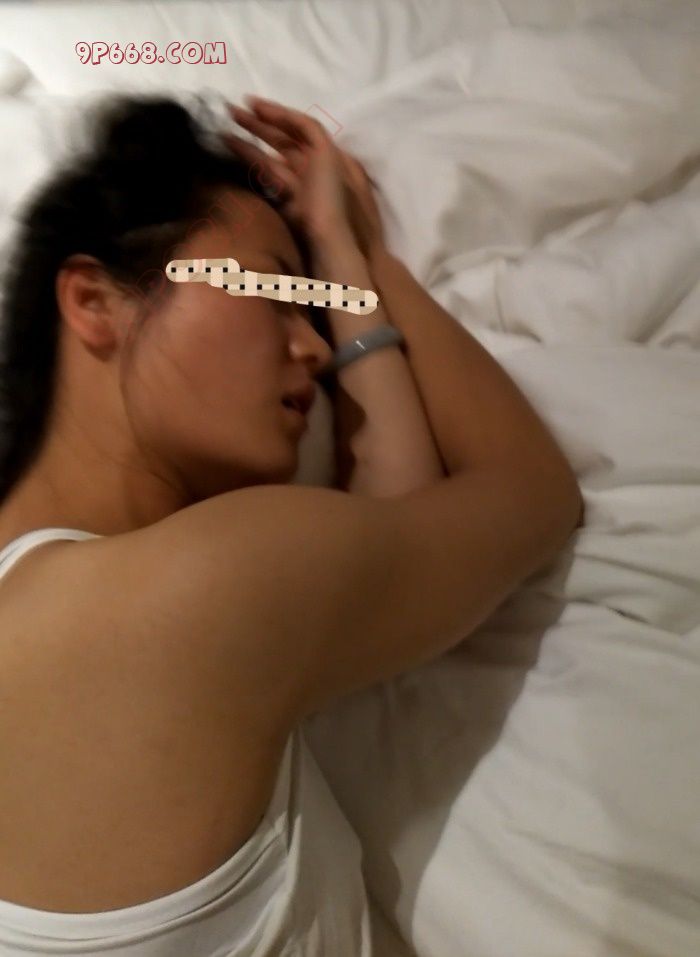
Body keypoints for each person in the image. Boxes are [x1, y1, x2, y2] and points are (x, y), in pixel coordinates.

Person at [0, 91, 584, 955]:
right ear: (93, 300)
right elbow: (529, 492)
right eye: (272, 288)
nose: (313, 345)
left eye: (314, 309)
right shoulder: (194, 590)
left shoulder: (91, 602)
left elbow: (389, 520)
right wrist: (362, 252)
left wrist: (336, 264)